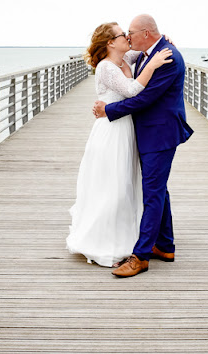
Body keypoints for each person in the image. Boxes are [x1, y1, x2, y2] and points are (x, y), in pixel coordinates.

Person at [93, 14, 193, 278]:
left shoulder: (167, 56)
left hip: (159, 134)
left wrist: (108, 110)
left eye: (131, 32)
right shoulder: (150, 51)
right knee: (158, 190)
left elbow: (144, 98)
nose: (128, 37)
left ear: (146, 34)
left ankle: (141, 257)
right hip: (149, 132)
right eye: (124, 33)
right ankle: (164, 245)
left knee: (152, 194)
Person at [67, 22, 173, 267]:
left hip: (126, 129)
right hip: (111, 132)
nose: (127, 37)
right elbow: (132, 89)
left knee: (126, 184)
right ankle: (106, 240)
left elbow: (147, 46)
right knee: (111, 185)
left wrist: (163, 39)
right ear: (110, 43)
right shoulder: (106, 67)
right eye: (121, 35)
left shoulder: (127, 58)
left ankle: (130, 235)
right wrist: (155, 65)